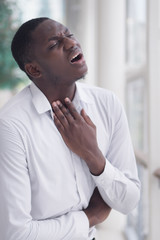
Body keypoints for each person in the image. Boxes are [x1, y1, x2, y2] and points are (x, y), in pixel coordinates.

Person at [0, 17, 140, 240]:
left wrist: (93, 156)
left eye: (69, 34)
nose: (71, 43)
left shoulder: (107, 104)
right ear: (34, 69)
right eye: (54, 44)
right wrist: (90, 217)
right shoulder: (11, 125)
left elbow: (129, 200)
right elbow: (15, 234)